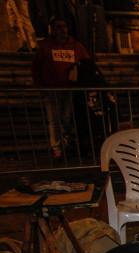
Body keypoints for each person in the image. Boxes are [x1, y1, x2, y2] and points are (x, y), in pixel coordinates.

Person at [32, 16, 90, 160]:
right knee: (54, 119)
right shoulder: (45, 47)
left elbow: (87, 63)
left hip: (71, 88)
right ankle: (57, 148)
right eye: (58, 27)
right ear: (52, 30)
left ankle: (67, 135)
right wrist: (40, 86)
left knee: (67, 117)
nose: (62, 30)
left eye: (64, 26)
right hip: (52, 89)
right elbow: (36, 68)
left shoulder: (75, 45)